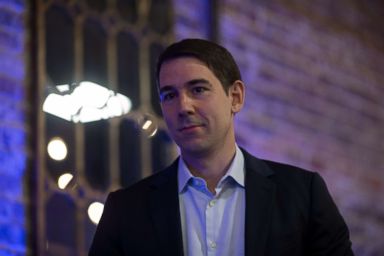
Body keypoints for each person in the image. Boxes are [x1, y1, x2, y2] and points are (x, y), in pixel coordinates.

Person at [89, 38, 354, 256]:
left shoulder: (303, 196)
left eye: (198, 89)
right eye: (170, 95)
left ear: (235, 97)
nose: (183, 107)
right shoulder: (125, 210)